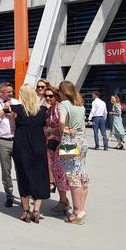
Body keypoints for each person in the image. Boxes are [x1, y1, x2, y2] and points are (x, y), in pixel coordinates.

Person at [10, 85, 49, 224]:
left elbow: (12, 125)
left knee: (23, 175)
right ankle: (36, 210)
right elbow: (46, 125)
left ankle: (25, 211)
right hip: (38, 146)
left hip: (22, 146)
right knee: (40, 176)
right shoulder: (43, 110)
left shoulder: (17, 109)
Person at [59, 81, 89, 225]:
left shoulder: (64, 104)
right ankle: (81, 209)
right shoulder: (80, 105)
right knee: (82, 173)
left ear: (63, 92)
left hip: (69, 142)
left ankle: (76, 212)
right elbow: (83, 125)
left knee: (72, 175)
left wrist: (63, 129)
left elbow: (61, 120)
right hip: (82, 141)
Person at [0, 82, 20, 207]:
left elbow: (21, 117)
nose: (11, 94)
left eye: (12, 91)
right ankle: (9, 195)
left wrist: (13, 114)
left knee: (21, 169)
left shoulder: (16, 102)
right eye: (8, 92)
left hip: (17, 139)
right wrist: (4, 109)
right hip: (2, 141)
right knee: (6, 170)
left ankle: (23, 195)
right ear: (1, 92)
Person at [43, 85, 70, 214]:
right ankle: (63, 201)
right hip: (52, 145)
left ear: (56, 96)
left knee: (62, 173)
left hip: (62, 145)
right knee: (58, 172)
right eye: (46, 96)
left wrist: (50, 130)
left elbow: (63, 126)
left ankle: (64, 202)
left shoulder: (59, 108)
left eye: (50, 96)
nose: (48, 98)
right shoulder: (50, 109)